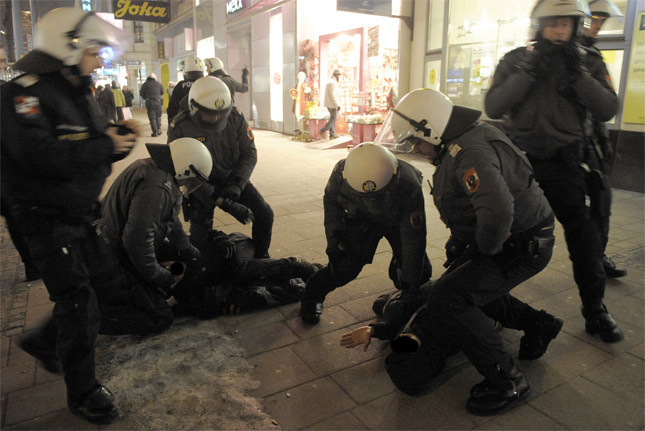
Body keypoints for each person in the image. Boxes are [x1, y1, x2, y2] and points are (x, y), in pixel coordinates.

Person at [377, 87, 559, 415]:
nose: (415, 149)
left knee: (451, 297)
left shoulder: (468, 151)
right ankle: (538, 325)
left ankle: (508, 381)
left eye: (416, 141)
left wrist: (482, 251)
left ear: (431, 129)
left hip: (521, 242)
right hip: (518, 238)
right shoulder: (460, 140)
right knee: (468, 286)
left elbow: (499, 211)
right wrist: (467, 243)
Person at [1, 7, 139, 424]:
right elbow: (38, 156)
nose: (99, 60)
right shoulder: (24, 93)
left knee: (106, 281)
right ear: (68, 46)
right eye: (95, 51)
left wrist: (117, 141)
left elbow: (92, 141)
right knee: (78, 305)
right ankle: (83, 392)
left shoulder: (73, 86)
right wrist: (104, 147)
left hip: (79, 211)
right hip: (45, 217)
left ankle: (45, 342)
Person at [485, 0, 623, 343]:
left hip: (565, 165)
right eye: (553, 23)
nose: (560, 30)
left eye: (567, 23)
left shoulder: (588, 61)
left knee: (585, 239)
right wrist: (528, 71)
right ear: (540, 24)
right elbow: (494, 105)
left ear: (577, 26)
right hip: (520, 165)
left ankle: (595, 309)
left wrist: (579, 75)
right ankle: (483, 300)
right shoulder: (517, 59)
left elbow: (607, 108)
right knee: (498, 233)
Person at [341, 288, 563, 398]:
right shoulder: (446, 342)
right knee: (475, 294)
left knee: (383, 305)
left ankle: (538, 323)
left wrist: (372, 330)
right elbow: (478, 330)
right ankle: (539, 323)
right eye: (409, 349)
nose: (405, 341)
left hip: (416, 299)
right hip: (440, 299)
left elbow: (396, 327)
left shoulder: (408, 337)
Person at [299, 142, 432, 325]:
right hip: (362, 220)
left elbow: (414, 241)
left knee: (419, 272)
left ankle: (402, 288)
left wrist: (409, 287)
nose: (373, 203)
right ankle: (311, 297)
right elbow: (331, 203)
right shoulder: (340, 174)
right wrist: (334, 240)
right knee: (344, 266)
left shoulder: (409, 184)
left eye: (378, 196)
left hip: (397, 222)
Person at [97, 138, 211, 335]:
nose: (190, 184)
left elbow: (169, 219)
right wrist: (160, 277)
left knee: (186, 260)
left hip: (119, 245)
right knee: (160, 318)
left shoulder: (161, 170)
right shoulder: (157, 187)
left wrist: (186, 248)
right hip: (114, 256)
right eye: (192, 178)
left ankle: (155, 292)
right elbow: (136, 243)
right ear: (185, 168)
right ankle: (92, 319)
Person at [168, 76, 274, 258]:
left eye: (221, 113)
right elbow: (184, 172)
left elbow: (249, 153)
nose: (216, 117)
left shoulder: (234, 117)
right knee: (200, 236)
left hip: (232, 178)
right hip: (200, 186)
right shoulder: (180, 126)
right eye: (209, 113)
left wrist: (237, 184)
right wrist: (224, 203)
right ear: (194, 107)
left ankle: (261, 259)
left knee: (265, 214)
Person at [172, 229, 321, 319]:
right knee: (239, 295)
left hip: (237, 246)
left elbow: (208, 233)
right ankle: (298, 287)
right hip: (228, 279)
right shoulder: (183, 290)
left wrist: (221, 239)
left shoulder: (179, 250)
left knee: (238, 272)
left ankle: (298, 266)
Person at [579, 0, 627, 278]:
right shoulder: (553, 51)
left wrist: (603, 139)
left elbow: (603, 106)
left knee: (601, 199)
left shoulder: (593, 57)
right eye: (593, 20)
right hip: (547, 146)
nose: (597, 26)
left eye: (601, 22)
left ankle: (597, 257)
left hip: (584, 145)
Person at [167, 55, 204, 123]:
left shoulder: (180, 86)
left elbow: (172, 108)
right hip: (206, 124)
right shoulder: (208, 83)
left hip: (185, 124)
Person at [319, 69, 341, 139]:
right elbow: (333, 95)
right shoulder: (333, 83)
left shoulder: (329, 81)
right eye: (339, 76)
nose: (339, 77)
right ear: (336, 75)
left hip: (328, 104)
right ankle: (323, 130)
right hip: (332, 104)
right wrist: (337, 105)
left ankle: (332, 134)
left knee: (333, 118)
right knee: (333, 118)